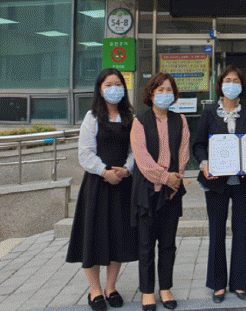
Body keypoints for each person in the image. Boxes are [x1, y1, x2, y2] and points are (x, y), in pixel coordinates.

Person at [66, 68, 138, 311]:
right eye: (108, 84)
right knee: (93, 237)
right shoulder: (93, 117)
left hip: (122, 184)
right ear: (100, 89)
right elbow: (85, 153)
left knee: (118, 236)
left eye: (118, 84)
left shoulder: (130, 117)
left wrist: (126, 170)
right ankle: (94, 289)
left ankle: (111, 287)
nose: (114, 88)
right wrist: (105, 171)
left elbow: (134, 151)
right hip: (97, 185)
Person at [193, 65, 246, 303]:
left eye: (236, 80)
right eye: (227, 80)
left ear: (242, 85)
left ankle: (239, 284)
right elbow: (199, 145)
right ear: (220, 85)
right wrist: (205, 164)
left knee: (241, 231)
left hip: (242, 182)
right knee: (216, 231)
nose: (231, 84)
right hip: (215, 182)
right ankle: (217, 284)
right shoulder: (210, 112)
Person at [130, 72, 190, 311]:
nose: (165, 94)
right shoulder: (140, 121)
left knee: (168, 244)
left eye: (169, 90)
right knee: (146, 245)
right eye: (160, 89)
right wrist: (166, 178)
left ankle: (165, 288)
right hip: (147, 190)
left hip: (171, 192)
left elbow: (183, 153)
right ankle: (147, 291)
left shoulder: (180, 120)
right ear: (151, 93)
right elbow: (142, 158)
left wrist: (176, 178)